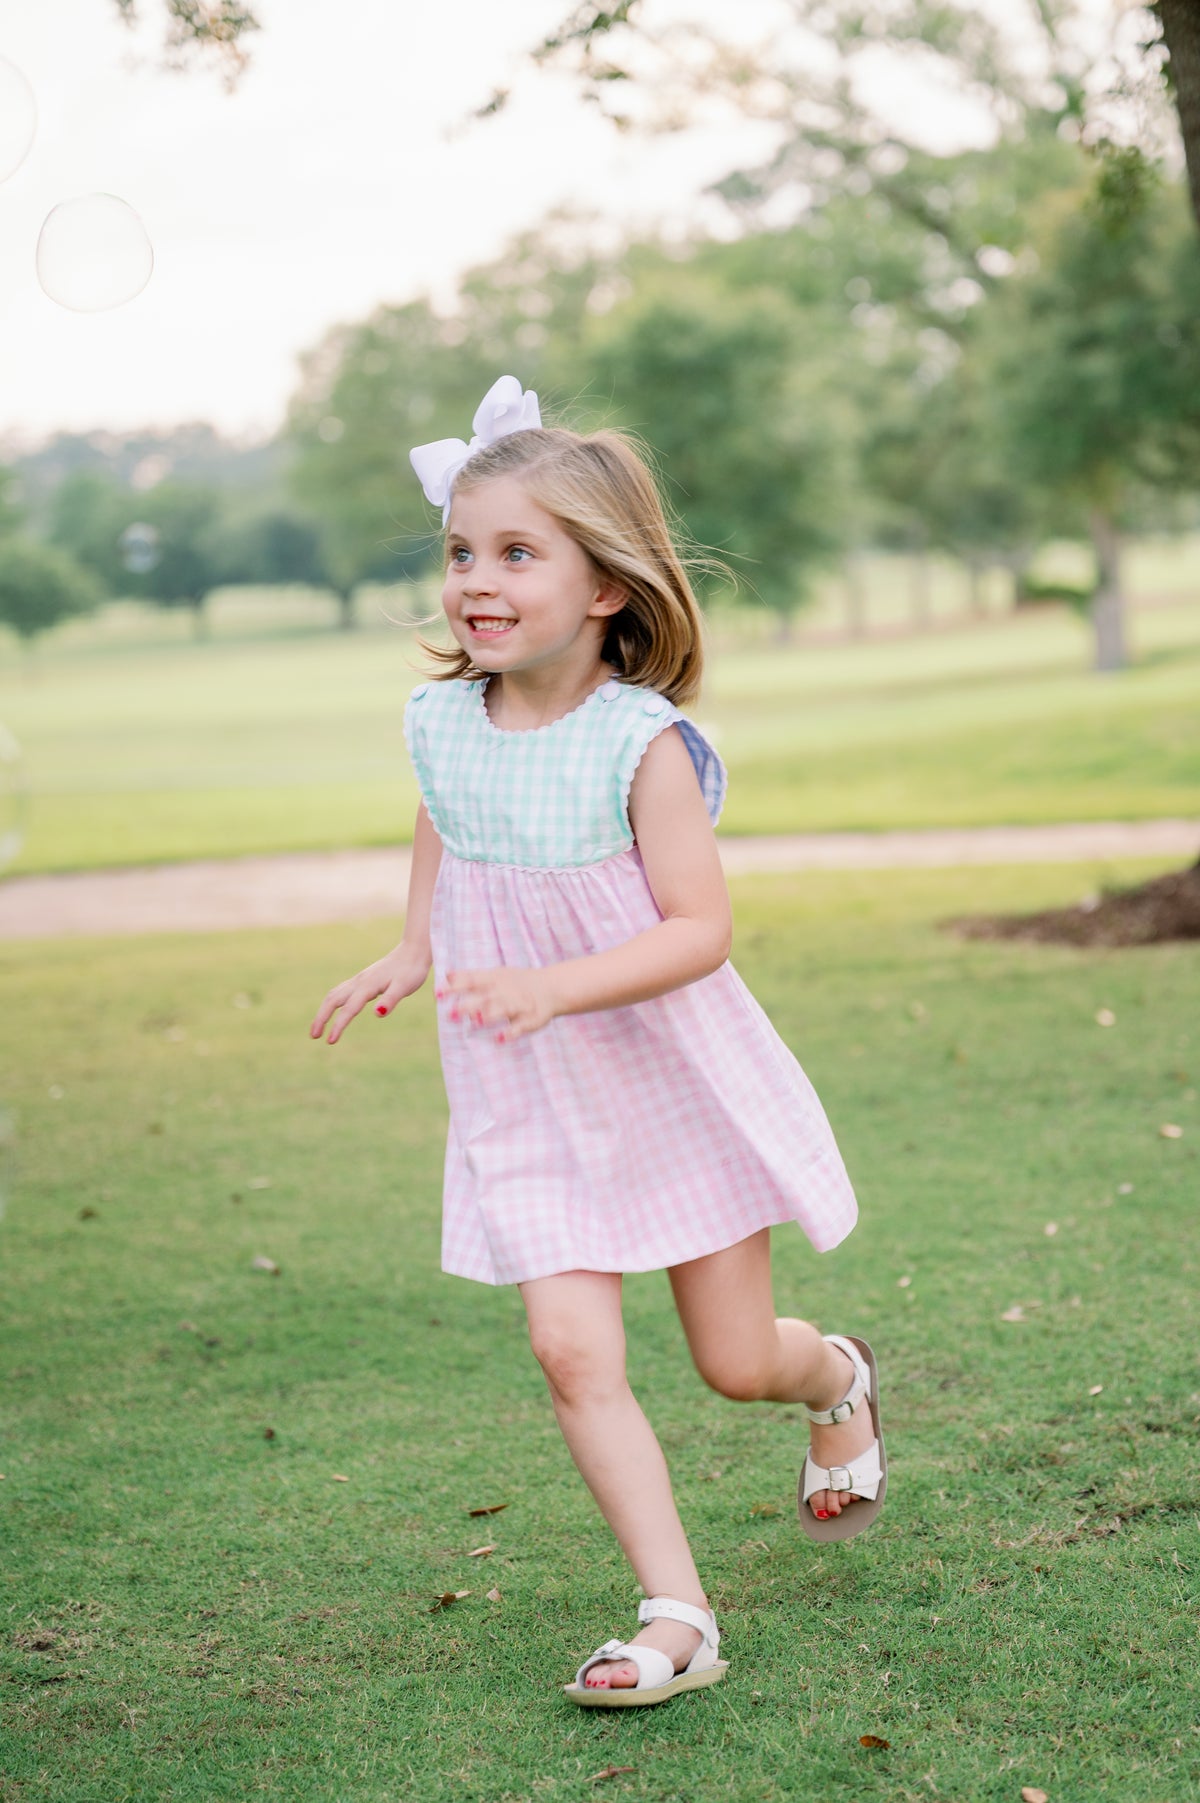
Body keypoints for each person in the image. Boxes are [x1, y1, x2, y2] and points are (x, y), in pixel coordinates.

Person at [310, 376, 886, 1708]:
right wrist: (417, 943)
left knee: (737, 1362)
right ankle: (676, 1613)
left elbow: (700, 929)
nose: (475, 579)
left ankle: (839, 1376)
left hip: (664, 1075)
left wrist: (558, 986)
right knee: (570, 1351)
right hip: (526, 1089)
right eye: (462, 550)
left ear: (608, 587)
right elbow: (444, 821)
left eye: (517, 551)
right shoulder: (442, 721)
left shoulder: (644, 742)